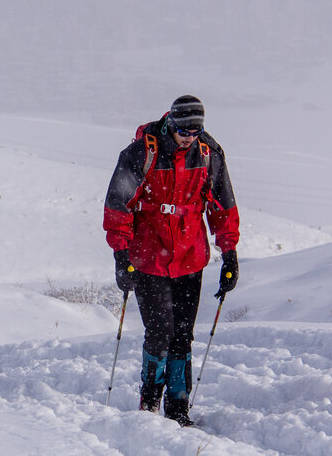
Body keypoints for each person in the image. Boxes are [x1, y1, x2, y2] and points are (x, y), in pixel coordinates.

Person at [103, 95, 240, 426]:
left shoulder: (208, 153)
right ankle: (150, 401)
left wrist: (230, 253)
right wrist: (121, 256)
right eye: (184, 130)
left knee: (183, 333)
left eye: (196, 131)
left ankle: (178, 405)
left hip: (190, 257)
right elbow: (117, 205)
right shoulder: (141, 153)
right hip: (148, 257)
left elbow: (223, 205)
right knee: (160, 331)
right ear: (171, 123)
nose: (190, 137)